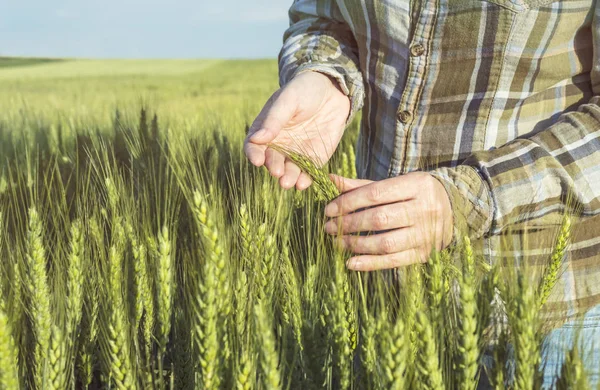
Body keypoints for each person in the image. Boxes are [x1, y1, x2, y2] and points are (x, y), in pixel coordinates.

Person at [244, 0, 600, 387]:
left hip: (545, 323)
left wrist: (467, 198)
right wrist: (327, 77)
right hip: (378, 307)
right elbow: (322, 16)